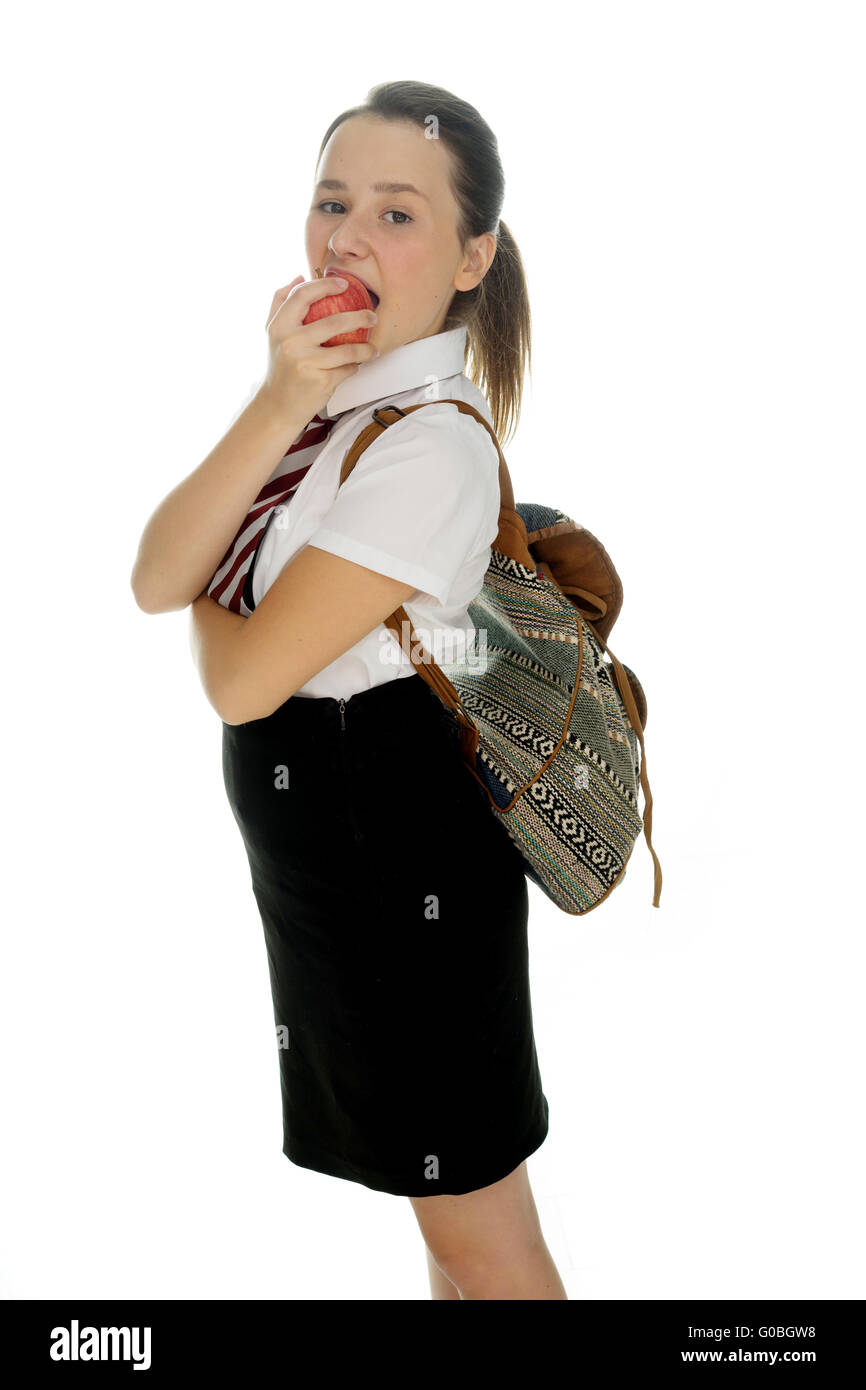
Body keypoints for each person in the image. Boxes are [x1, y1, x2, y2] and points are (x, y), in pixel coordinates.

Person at [131, 80, 567, 1301]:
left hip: (403, 866)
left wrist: (224, 594)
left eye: (398, 213)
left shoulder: (426, 442)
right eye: (332, 203)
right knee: (445, 1227)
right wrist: (275, 401)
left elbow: (239, 675)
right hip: (343, 870)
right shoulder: (323, 410)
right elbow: (157, 571)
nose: (347, 238)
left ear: (474, 254)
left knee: (480, 1231)